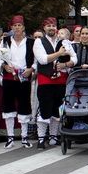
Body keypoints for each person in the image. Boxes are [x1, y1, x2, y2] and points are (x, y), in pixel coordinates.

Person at [34, 18, 74, 148]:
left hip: (61, 80)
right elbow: (43, 60)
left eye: (53, 25)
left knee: (57, 110)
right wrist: (59, 53)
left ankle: (53, 137)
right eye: (48, 26)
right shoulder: (39, 42)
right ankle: (41, 138)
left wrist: (66, 64)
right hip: (45, 80)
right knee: (45, 109)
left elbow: (75, 58)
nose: (51, 28)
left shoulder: (64, 41)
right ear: (44, 28)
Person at [0, 15, 35, 149]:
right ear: (11, 27)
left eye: (19, 25)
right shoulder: (6, 41)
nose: (17, 28)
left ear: (23, 27)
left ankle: (24, 137)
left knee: (24, 106)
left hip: (24, 77)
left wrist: (31, 69)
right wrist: (3, 65)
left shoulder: (31, 42)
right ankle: (10, 137)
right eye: (15, 26)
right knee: (8, 106)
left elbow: (36, 60)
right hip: (9, 77)